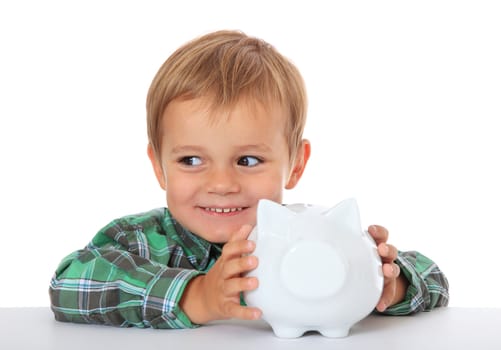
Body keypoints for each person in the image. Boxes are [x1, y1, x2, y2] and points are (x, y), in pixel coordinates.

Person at [49, 30, 449, 328]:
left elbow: (435, 277)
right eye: (191, 160)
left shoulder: (310, 234)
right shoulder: (140, 240)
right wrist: (197, 294)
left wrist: (386, 283)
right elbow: (69, 283)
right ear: (159, 167)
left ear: (295, 164)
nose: (221, 183)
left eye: (248, 159)